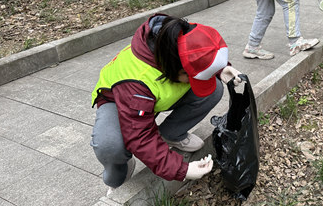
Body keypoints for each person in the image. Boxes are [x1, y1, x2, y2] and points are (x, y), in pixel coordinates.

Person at [90, 13, 242, 196]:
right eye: (191, 77)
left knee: (214, 89)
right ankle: (119, 173)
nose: (192, 81)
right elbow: (140, 135)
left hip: (151, 95)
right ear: (174, 67)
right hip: (120, 101)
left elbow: (200, 51)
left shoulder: (180, 35)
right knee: (110, 146)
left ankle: (171, 134)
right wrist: (182, 169)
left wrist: (219, 69)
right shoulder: (137, 80)